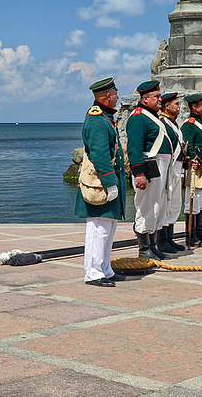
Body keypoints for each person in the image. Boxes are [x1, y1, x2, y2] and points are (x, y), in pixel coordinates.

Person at [77, 78, 126, 287]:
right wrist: (109, 182)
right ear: (107, 96)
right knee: (99, 228)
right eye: (115, 94)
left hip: (106, 180)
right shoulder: (97, 119)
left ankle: (105, 268)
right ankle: (93, 272)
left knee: (108, 227)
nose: (117, 97)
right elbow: (100, 153)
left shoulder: (105, 117)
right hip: (100, 182)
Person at [125, 80, 170, 259]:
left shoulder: (150, 116)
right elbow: (135, 147)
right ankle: (144, 249)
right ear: (145, 100)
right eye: (156, 97)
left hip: (158, 165)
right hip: (149, 166)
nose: (160, 100)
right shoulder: (138, 117)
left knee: (156, 206)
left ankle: (151, 245)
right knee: (145, 207)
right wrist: (140, 173)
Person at [180, 92, 202, 246]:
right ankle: (191, 234)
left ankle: (200, 231)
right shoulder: (189, 125)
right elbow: (188, 146)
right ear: (194, 106)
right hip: (197, 167)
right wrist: (199, 162)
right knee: (194, 199)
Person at [157, 91, 185, 252]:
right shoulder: (163, 123)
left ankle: (169, 237)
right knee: (165, 203)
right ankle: (162, 240)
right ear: (167, 106)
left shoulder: (173, 123)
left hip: (176, 166)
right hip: (167, 167)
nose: (179, 106)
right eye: (176, 104)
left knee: (174, 203)